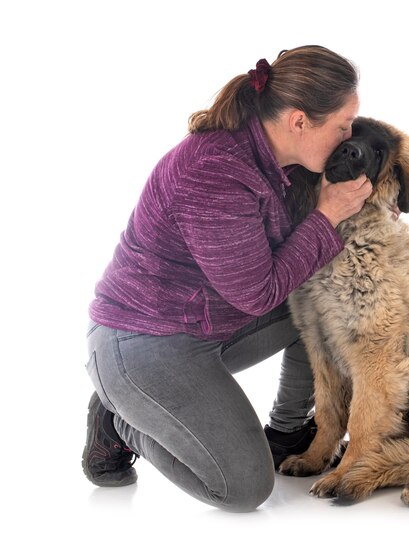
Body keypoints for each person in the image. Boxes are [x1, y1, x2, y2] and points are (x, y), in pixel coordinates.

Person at [82, 45, 372, 512]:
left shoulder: (280, 156)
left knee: (325, 296)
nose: (348, 134)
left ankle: (287, 430)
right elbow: (260, 293)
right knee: (242, 488)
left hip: (210, 322)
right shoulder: (214, 171)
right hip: (141, 342)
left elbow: (295, 259)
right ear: (299, 121)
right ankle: (122, 419)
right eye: (342, 125)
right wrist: (328, 214)